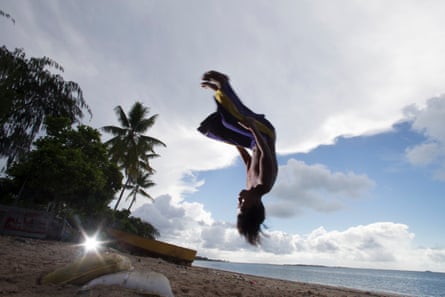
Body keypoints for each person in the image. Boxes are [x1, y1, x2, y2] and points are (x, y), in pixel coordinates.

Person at [198, 70, 278, 245]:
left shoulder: (250, 186)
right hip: (264, 135)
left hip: (250, 143)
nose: (239, 200)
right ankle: (223, 83)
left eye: (238, 205)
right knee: (232, 119)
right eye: (242, 204)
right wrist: (252, 129)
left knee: (214, 129)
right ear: (255, 205)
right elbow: (265, 152)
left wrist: (233, 141)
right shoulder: (265, 183)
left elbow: (249, 162)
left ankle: (219, 93)